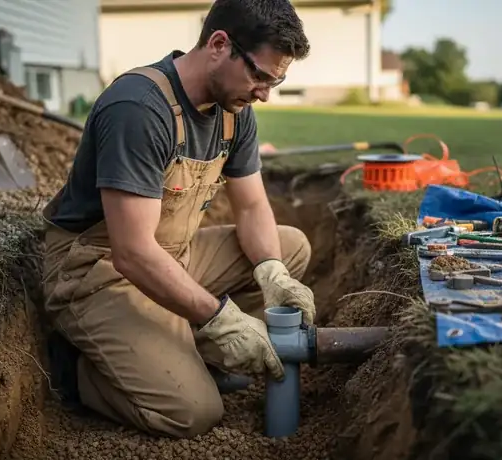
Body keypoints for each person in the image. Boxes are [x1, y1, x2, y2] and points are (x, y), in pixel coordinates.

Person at [40, 0, 315, 440]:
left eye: (275, 81)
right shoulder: (138, 108)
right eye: (259, 76)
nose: (265, 93)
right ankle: (79, 371)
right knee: (193, 411)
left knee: (289, 248)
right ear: (219, 44)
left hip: (171, 258)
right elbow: (131, 252)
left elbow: (251, 207)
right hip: (98, 270)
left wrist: (271, 270)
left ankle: (182, 348)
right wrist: (221, 319)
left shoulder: (235, 109)